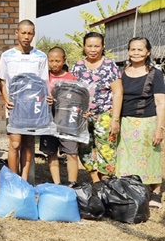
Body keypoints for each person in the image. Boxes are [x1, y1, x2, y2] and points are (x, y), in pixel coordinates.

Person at [115, 37, 164, 208]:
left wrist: (160, 128)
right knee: (125, 158)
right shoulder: (120, 72)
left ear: (148, 52)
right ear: (128, 51)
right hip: (125, 122)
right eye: (132, 49)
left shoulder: (155, 73)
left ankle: (156, 191)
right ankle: (130, 189)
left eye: (140, 50)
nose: (136, 53)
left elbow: (160, 102)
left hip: (148, 122)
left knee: (150, 156)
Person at [0, 19, 48, 181]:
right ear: (17, 33)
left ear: (33, 35)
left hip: (32, 108)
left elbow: (43, 82)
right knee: (15, 143)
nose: (26, 36)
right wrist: (6, 99)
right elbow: (1, 80)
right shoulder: (7, 56)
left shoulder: (40, 56)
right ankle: (14, 180)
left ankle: (24, 179)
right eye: (23, 33)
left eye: (30, 33)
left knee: (28, 144)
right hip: (14, 107)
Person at [71, 32, 122, 183]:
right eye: (89, 46)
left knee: (106, 149)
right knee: (85, 148)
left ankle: (106, 184)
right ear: (84, 47)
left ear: (103, 47)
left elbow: (118, 92)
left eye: (97, 46)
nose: (93, 49)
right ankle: (96, 182)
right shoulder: (77, 67)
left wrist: (115, 119)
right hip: (83, 116)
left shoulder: (110, 66)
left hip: (105, 113)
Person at [39, 46, 79, 187]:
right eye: (51, 61)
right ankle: (57, 184)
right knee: (51, 152)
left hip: (67, 121)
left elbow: (76, 99)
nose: (54, 64)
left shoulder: (71, 78)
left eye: (57, 60)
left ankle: (72, 183)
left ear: (64, 60)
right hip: (48, 120)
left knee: (72, 152)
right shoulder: (43, 77)